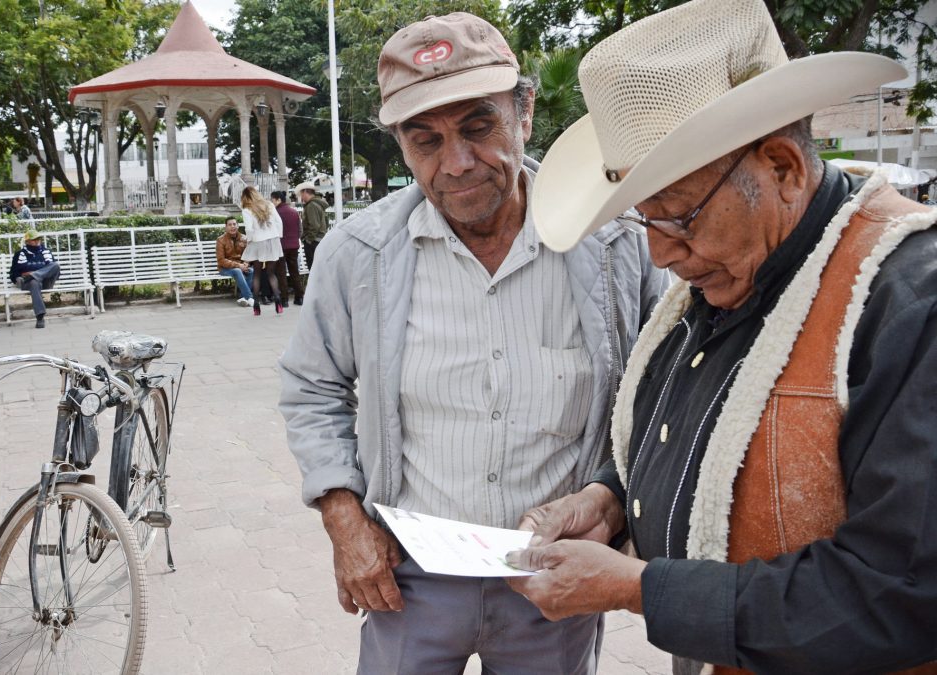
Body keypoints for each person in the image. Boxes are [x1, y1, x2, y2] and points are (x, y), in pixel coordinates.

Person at [504, 1, 937, 673]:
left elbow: (899, 591)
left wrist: (637, 586)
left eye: (677, 216)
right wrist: (610, 500)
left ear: (783, 169)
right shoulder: (724, 272)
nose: (658, 255)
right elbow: (700, 425)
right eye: (644, 220)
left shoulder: (909, 299)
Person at [278, 12, 667, 674]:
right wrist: (346, 525)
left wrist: (608, 496)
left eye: (478, 127)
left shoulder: (616, 246)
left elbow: (659, 394)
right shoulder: (358, 254)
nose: (456, 164)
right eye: (424, 139)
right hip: (408, 580)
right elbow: (312, 387)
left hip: (553, 579)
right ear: (400, 144)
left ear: (524, 111)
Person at [240, 186, 285, 316]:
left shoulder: (247, 209)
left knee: (257, 274)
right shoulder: (269, 204)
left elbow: (249, 229)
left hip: (258, 241)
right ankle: (278, 299)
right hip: (273, 240)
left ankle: (256, 305)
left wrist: (248, 240)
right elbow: (279, 222)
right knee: (271, 273)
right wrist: (278, 236)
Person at [9, 228, 61, 329]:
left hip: (46, 282)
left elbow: (54, 270)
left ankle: (33, 276)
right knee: (34, 283)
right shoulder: (20, 254)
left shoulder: (46, 251)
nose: (37, 241)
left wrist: (33, 273)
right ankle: (40, 317)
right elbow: (13, 274)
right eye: (34, 239)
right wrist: (24, 275)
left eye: (38, 239)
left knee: (55, 265)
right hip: (28, 283)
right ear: (27, 241)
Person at [271, 190, 304, 306]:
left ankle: (284, 299)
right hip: (294, 246)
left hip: (280, 246)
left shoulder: (275, 213)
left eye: (273, 200)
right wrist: (294, 239)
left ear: (278, 200)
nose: (272, 202)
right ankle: (299, 298)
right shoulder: (294, 212)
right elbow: (300, 230)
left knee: (281, 273)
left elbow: (272, 231)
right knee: (295, 272)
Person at [216, 217, 255, 307]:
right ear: (226, 227)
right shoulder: (220, 240)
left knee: (251, 271)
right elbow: (221, 260)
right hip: (225, 268)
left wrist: (246, 263)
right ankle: (249, 297)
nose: (232, 227)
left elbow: (248, 254)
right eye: (230, 225)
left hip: (240, 266)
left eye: (234, 224)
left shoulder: (244, 238)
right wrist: (238, 265)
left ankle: (242, 298)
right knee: (237, 271)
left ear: (237, 226)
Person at [295, 183, 328, 271]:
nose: (301, 197)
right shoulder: (318, 204)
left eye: (301, 194)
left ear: (305, 192)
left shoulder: (311, 205)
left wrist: (308, 240)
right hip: (319, 240)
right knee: (319, 269)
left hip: (313, 242)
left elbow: (314, 225)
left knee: (313, 269)